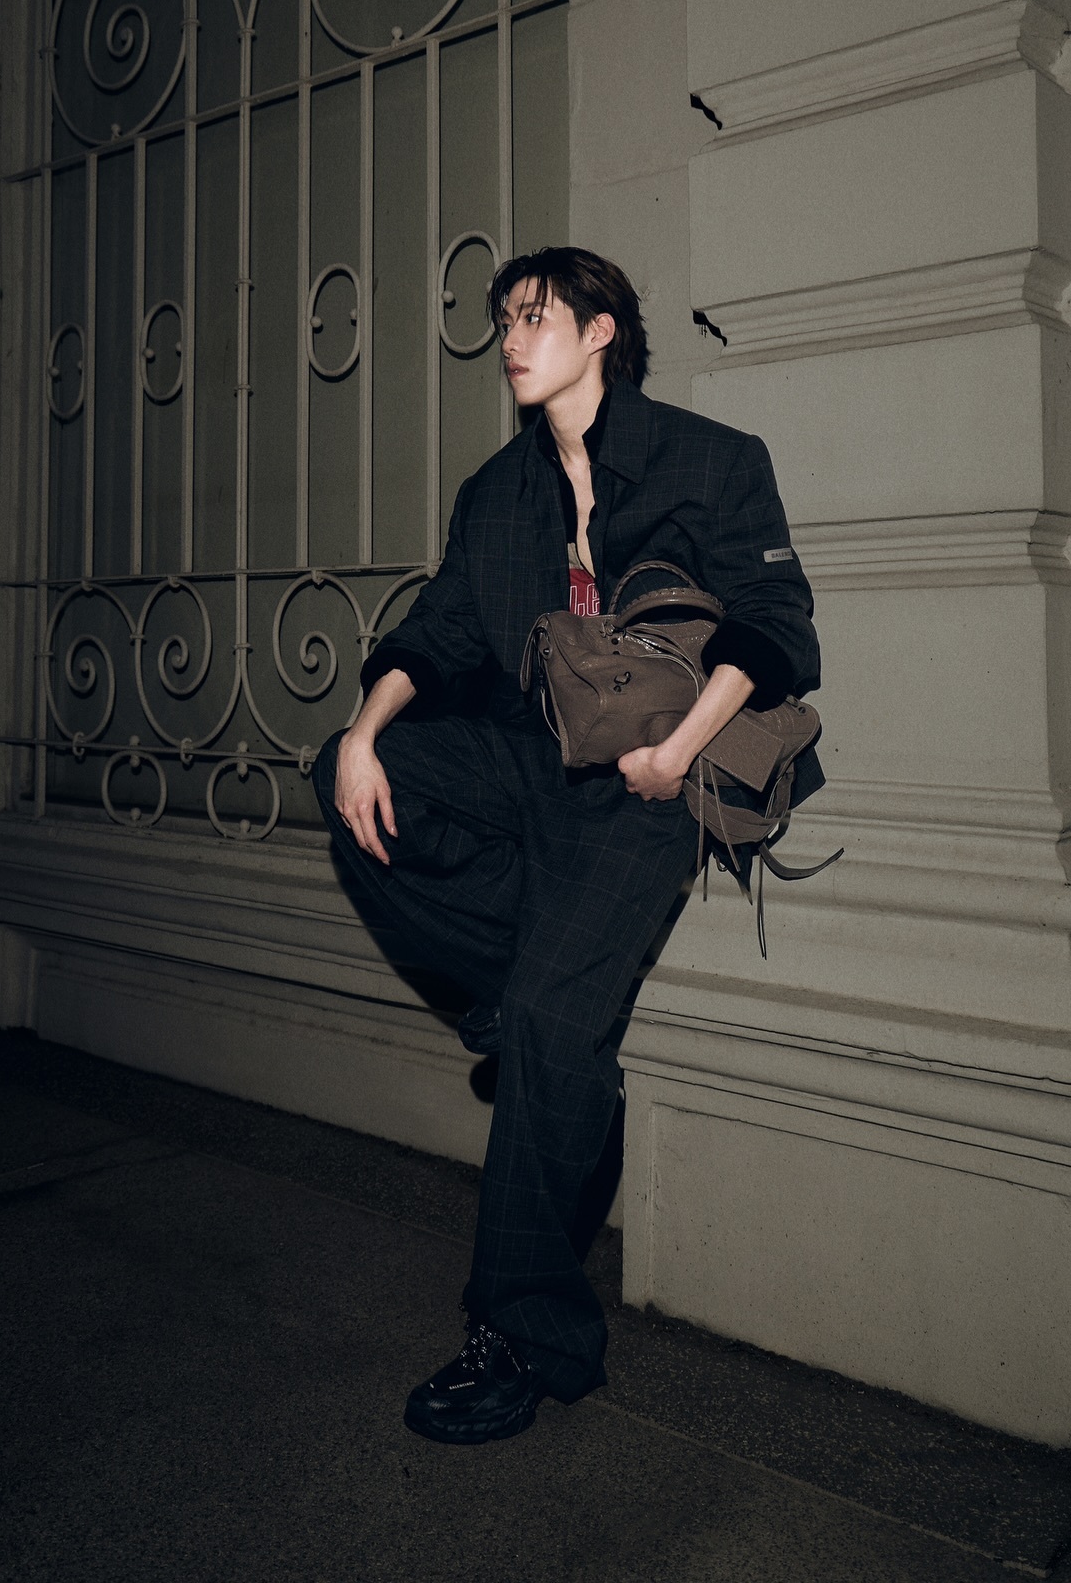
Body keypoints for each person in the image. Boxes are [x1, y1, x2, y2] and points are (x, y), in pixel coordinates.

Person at [312, 245, 821, 1444]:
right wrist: (362, 734)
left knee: (552, 1022)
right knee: (361, 778)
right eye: (503, 320)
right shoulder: (497, 492)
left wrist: (675, 750)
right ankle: (520, 1009)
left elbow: (777, 627)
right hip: (524, 763)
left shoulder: (712, 459)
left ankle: (521, 1338)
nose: (510, 339)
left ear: (601, 332)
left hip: (647, 791)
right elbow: (438, 632)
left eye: (534, 317)